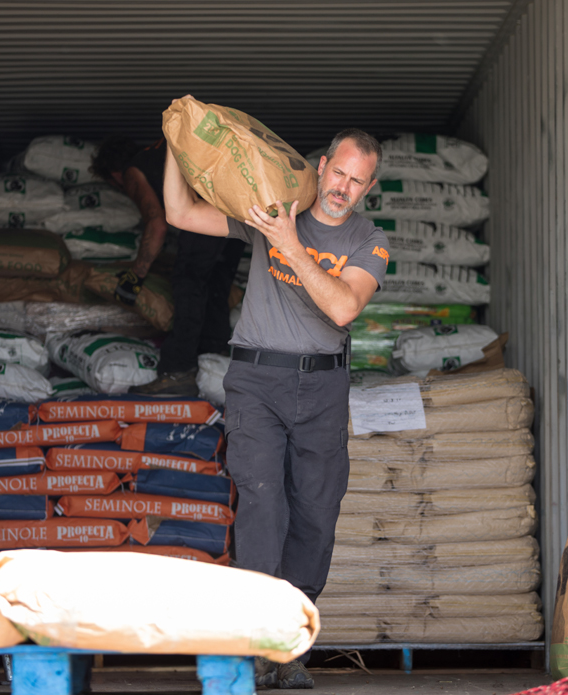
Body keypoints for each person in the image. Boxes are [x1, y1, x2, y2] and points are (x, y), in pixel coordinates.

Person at [162, 108, 390, 689]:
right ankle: (259, 643)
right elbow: (179, 212)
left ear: (369, 188)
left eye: (357, 180)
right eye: (338, 173)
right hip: (257, 381)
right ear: (323, 168)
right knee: (263, 503)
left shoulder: (369, 241)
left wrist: (289, 245)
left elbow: (342, 307)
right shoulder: (269, 213)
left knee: (316, 513)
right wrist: (176, 144)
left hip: (323, 387)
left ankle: (290, 645)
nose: (343, 188)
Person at [91, 136, 245, 396]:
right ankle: (213, 356)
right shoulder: (157, 155)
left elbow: (156, 224)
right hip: (237, 205)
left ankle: (177, 371)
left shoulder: (133, 171)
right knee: (217, 280)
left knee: (188, 281)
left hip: (205, 208)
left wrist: (136, 276)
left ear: (114, 173)